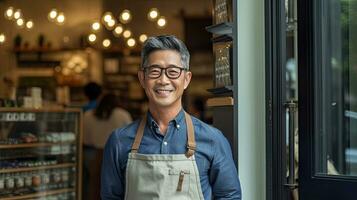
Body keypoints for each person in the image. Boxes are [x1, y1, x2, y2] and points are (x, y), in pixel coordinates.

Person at [101, 35, 241, 200]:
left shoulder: (213, 140)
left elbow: (229, 196)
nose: (163, 80)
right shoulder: (119, 141)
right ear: (142, 78)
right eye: (155, 71)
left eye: (173, 72)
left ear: (186, 79)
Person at [83, 93, 132, 200]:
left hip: (95, 155)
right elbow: (131, 138)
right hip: (119, 155)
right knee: (118, 189)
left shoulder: (88, 115)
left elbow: (85, 139)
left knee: (95, 187)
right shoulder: (122, 114)